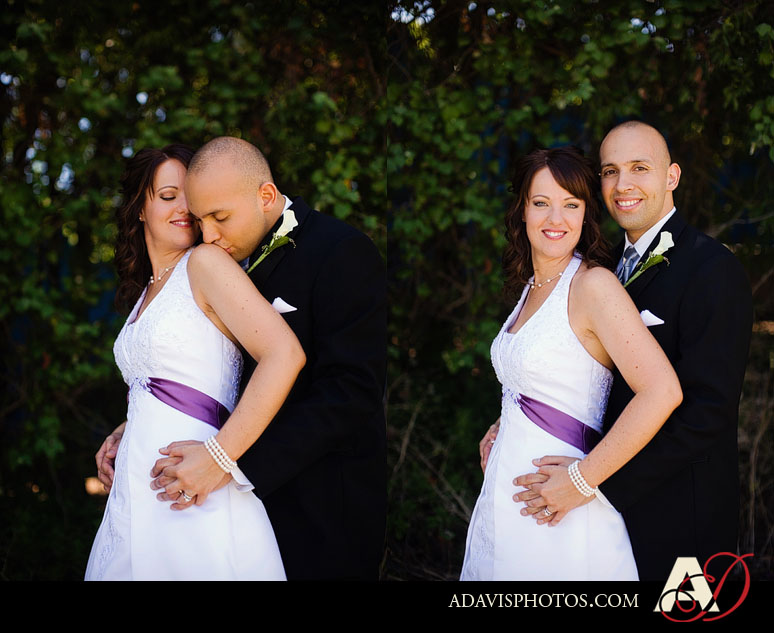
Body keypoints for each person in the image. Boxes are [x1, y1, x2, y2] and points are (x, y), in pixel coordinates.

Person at [96, 137, 388, 580]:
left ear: (265, 196)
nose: (207, 232)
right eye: (200, 217)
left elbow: (350, 392)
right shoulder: (216, 255)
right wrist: (131, 428)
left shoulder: (339, 251)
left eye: (218, 217)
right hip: (206, 483)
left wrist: (227, 459)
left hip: (318, 502)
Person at [508, 122, 753, 581]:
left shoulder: (712, 269)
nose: (623, 185)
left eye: (640, 168)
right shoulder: (598, 270)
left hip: (681, 522)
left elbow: (708, 413)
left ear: (671, 176)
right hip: (600, 518)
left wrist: (595, 480)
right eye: (610, 171)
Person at [460, 146, 682, 581]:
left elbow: (662, 391)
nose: (555, 219)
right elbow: (545, 385)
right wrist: (502, 425)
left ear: (585, 214)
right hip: (508, 502)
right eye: (541, 203)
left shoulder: (593, 285)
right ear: (522, 211)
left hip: (563, 511)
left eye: (571, 205)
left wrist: (581, 480)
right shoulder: (532, 286)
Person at [86, 144, 305, 580]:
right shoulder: (145, 295)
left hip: (195, 486)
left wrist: (219, 458)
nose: (184, 207)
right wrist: (127, 428)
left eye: (189, 195)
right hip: (137, 492)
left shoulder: (205, 264)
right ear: (140, 209)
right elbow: (179, 383)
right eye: (168, 196)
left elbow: (284, 354)